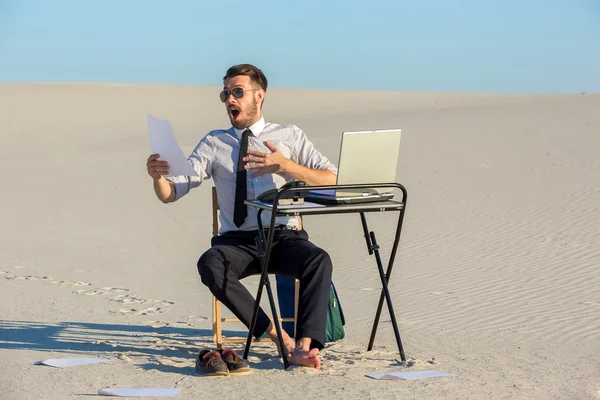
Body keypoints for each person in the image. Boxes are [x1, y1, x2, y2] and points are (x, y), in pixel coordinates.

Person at [145, 64, 337, 369]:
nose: (230, 100)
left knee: (318, 259)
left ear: (259, 96)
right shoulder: (214, 142)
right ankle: (278, 336)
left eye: (237, 92)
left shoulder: (288, 135)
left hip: (283, 236)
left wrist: (287, 166)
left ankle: (305, 345)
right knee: (209, 263)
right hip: (238, 243)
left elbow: (332, 179)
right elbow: (172, 192)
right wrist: (158, 178)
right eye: (225, 94)